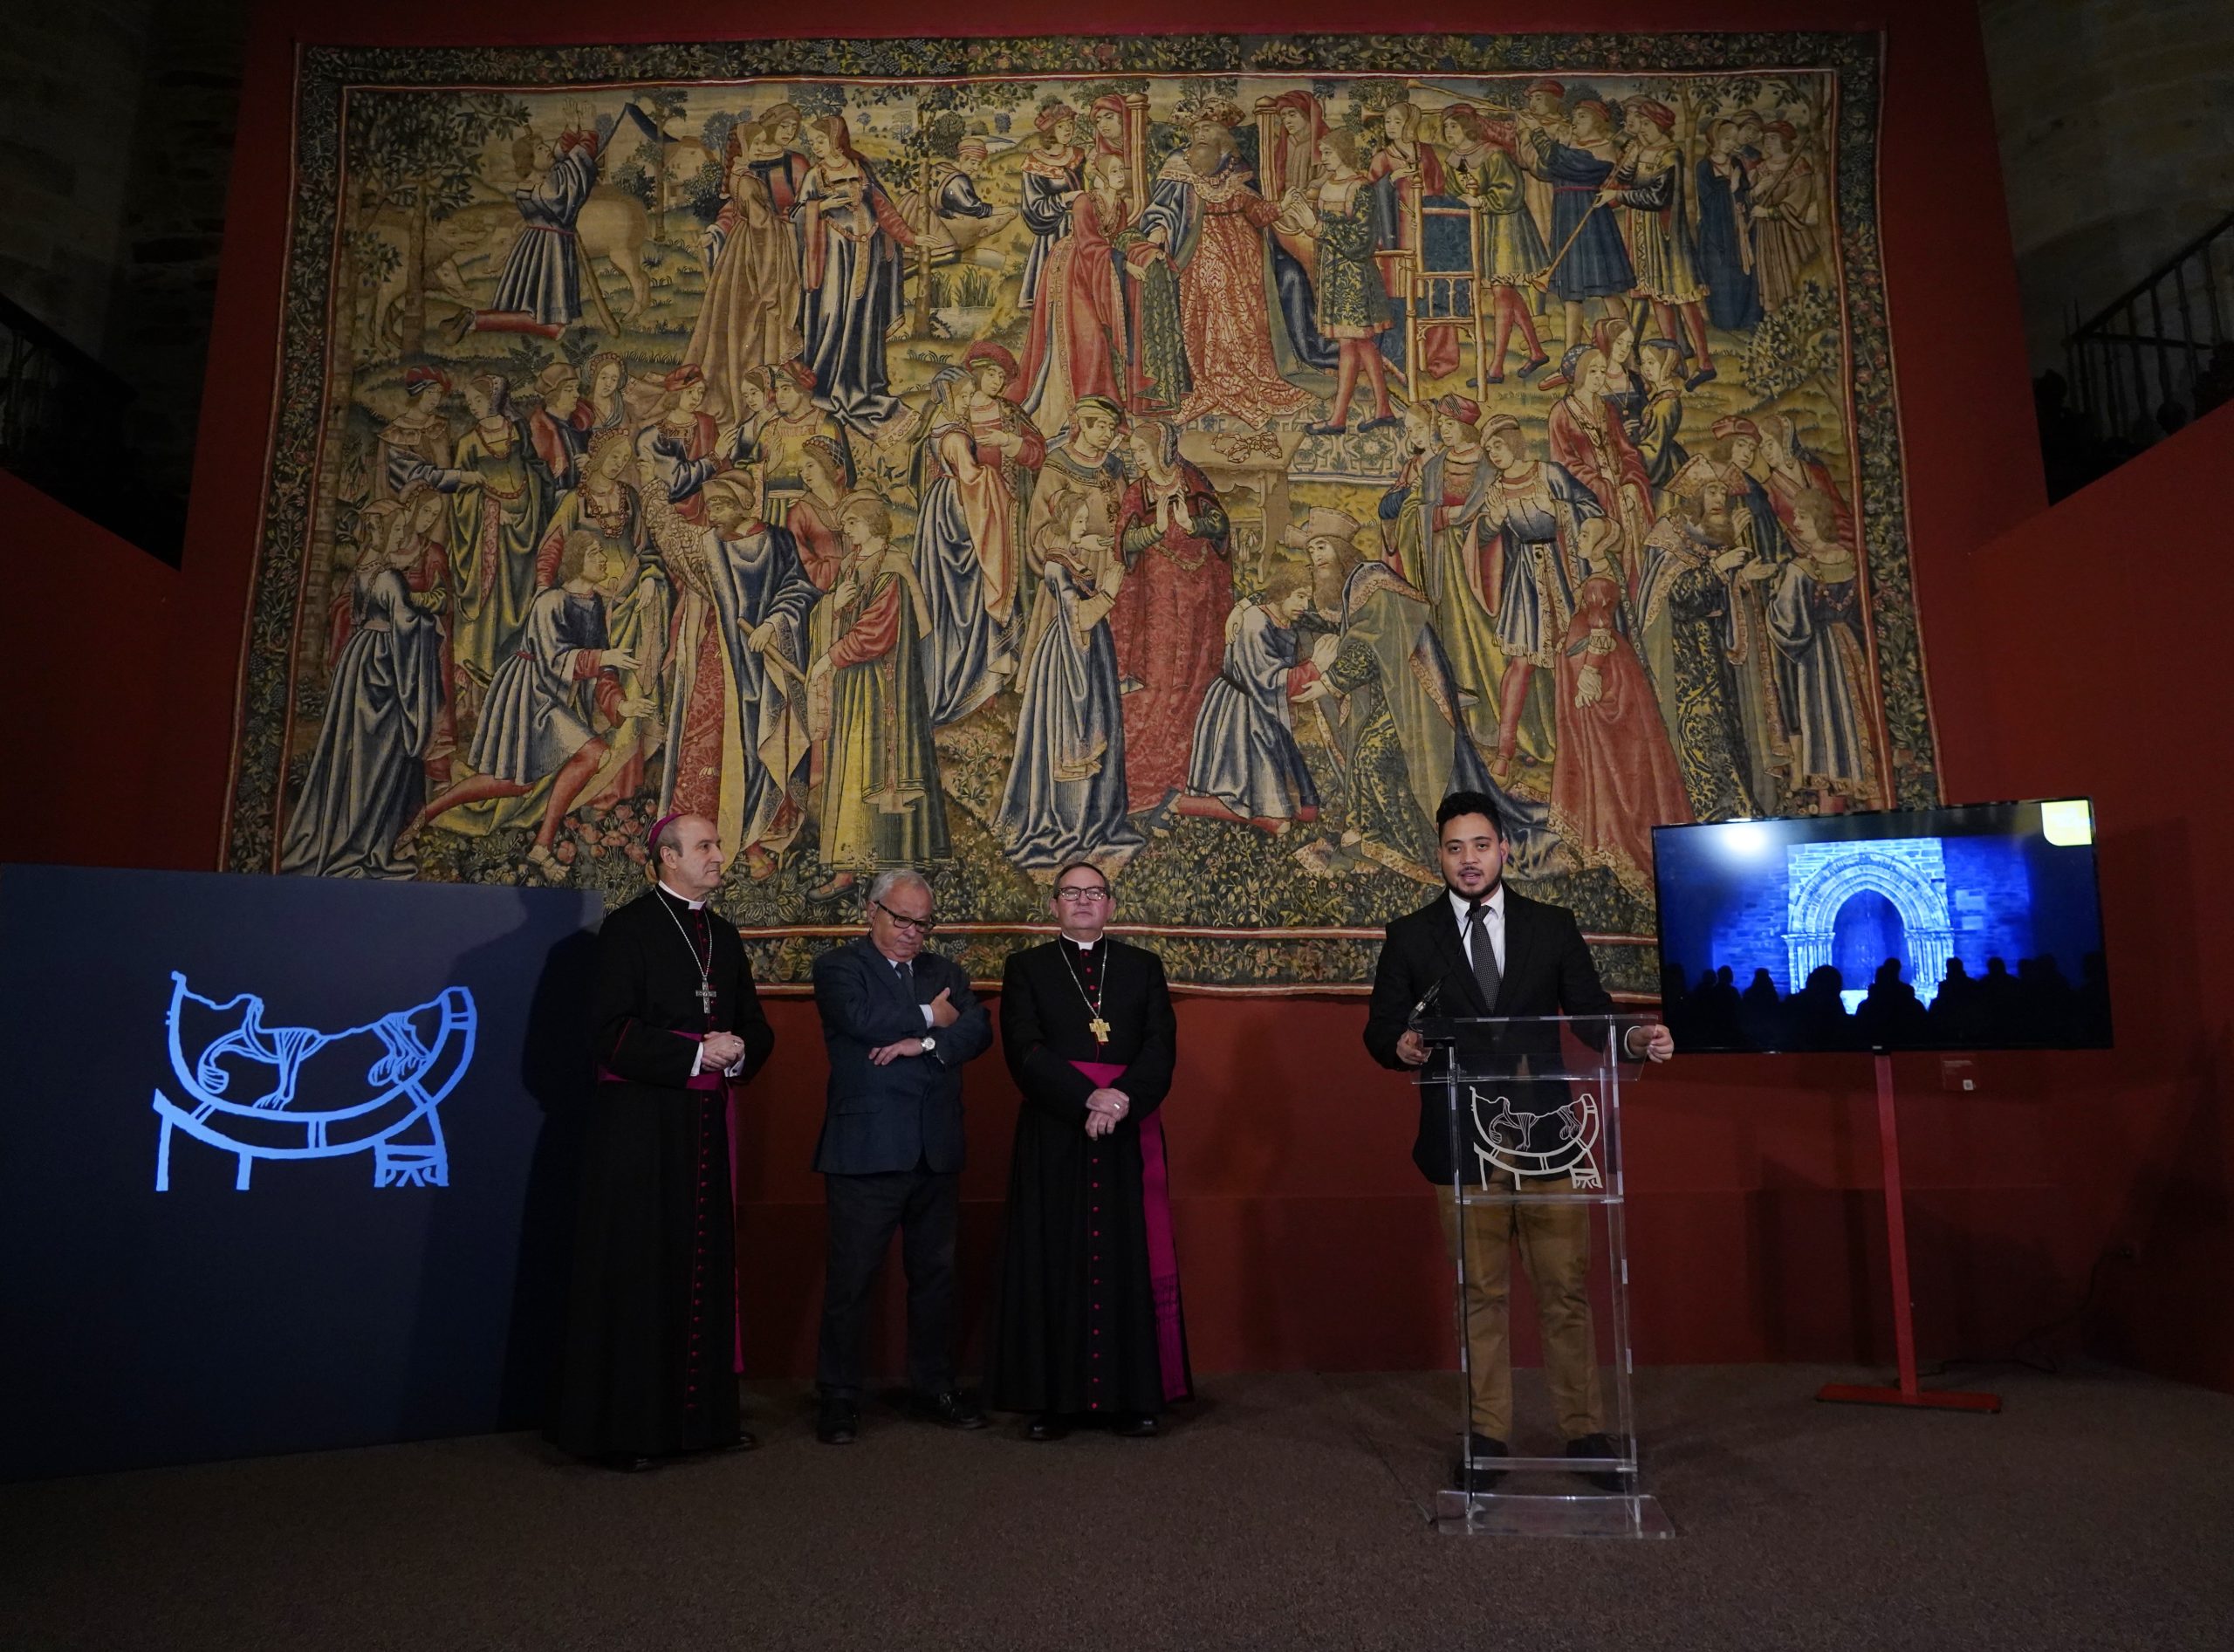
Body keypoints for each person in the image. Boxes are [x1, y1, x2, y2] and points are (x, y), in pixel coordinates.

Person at [1362, 791, 1673, 1490]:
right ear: (1437, 856)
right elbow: (1380, 1027)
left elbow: (1592, 1015)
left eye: (1479, 845)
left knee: (1565, 1289)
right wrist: (1404, 1045)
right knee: (1481, 1293)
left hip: (1549, 1139)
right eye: (1453, 848)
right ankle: (1488, 1436)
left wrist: (1634, 1037)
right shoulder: (1412, 936)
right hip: (1459, 1140)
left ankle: (1585, 1431)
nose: (1467, 860)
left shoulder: (1550, 925)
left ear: (1505, 849)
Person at [551, 812, 775, 1470]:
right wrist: (694, 1053)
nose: (718, 854)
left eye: (716, 843)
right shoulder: (628, 929)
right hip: (640, 1129)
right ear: (667, 859)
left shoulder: (726, 937)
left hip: (707, 1129)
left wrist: (734, 1054)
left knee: (702, 1270)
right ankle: (631, 1431)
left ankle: (703, 1421)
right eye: (705, 845)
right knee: (641, 1271)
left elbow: (755, 1025)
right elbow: (609, 1031)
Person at [987, 862, 1188, 1438]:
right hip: (1056, 1129)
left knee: (1130, 1259)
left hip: (1129, 1128)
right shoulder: (1026, 969)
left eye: (1093, 892)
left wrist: (1121, 1097)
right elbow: (1023, 1047)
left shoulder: (1142, 968)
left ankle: (1136, 1395)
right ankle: (1052, 1400)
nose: (1082, 900)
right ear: (1053, 905)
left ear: (1110, 904)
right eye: (1071, 892)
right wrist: (1086, 1098)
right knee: (1054, 1257)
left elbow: (1160, 1047)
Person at [809, 868, 994, 1444]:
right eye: (901, 919)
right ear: (872, 911)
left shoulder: (945, 973)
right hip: (866, 1151)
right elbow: (861, 1020)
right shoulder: (839, 967)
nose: (913, 932)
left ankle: (933, 1386)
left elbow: (980, 1029)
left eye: (922, 922)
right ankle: (839, 1398)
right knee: (852, 1280)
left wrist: (929, 1041)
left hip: (935, 1151)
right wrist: (929, 1017)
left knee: (935, 1278)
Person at [401, 531, 647, 883]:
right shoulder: (551, 600)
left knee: (528, 779)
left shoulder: (593, 604)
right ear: (576, 560)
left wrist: (623, 703)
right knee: (522, 781)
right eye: (595, 553)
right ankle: (430, 813)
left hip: (555, 693)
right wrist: (602, 657)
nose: (603, 560)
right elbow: (553, 657)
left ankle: (538, 845)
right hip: (529, 690)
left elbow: (603, 669)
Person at [279, 502, 449, 878]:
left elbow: (360, 615)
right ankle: (361, 840)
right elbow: (405, 623)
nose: (405, 533)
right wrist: (430, 621)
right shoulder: (388, 577)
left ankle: (340, 830)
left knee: (353, 750)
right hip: (385, 665)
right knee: (378, 756)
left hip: (359, 662)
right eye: (400, 526)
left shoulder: (363, 570)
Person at [808, 491, 947, 901]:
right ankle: (848, 869)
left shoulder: (893, 565)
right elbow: (839, 615)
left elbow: (877, 630)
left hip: (886, 689)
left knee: (884, 772)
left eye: (852, 522)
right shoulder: (852, 565)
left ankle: (901, 873)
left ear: (872, 523)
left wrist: (828, 660)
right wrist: (835, 606)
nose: (846, 530)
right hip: (855, 688)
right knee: (851, 770)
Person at [997, 484, 1143, 870]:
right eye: (1078, 521)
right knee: (1071, 736)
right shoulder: (1056, 566)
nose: (1084, 526)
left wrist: (1095, 543)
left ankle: (1093, 821)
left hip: (1085, 660)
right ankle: (1072, 826)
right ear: (1063, 524)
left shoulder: (1068, 557)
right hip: (1067, 665)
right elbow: (1076, 620)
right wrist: (1109, 594)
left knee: (1097, 733)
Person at [1136, 119, 1316, 428]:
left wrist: (1281, 206)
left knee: (1247, 317)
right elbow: (1165, 207)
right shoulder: (1180, 164)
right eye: (1195, 133)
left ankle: (1243, 378)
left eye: (1207, 129)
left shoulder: (1236, 168)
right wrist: (1159, 229)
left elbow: (1256, 212)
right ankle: (1211, 379)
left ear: (1222, 135)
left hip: (1244, 253)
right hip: (1199, 248)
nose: (1200, 136)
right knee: (1207, 312)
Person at [1110, 419, 1234, 822]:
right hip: (1159, 597)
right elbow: (1124, 544)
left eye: (1142, 451)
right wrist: (1157, 530)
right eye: (1134, 453)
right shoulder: (1137, 492)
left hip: (1200, 590)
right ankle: (1152, 772)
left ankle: (1191, 768)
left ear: (1162, 450)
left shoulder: (1192, 480)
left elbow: (1220, 526)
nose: (1137, 459)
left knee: (1197, 672)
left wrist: (1192, 525)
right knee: (1162, 675)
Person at [1177, 566, 1326, 832]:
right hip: (1241, 711)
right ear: (1281, 594)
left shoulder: (1283, 615)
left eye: (1308, 598)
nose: (1305, 605)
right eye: (1300, 596)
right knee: (1247, 795)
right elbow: (1268, 680)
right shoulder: (1255, 623)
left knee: (1308, 809)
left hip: (1263, 708)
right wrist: (1315, 667)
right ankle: (1179, 804)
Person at [794, 114, 917, 428]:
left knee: (863, 319)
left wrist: (912, 237)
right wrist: (822, 205)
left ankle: (861, 386)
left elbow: (883, 208)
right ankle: (826, 385)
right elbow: (797, 215)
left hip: (868, 252)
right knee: (833, 314)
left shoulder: (861, 169)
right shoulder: (814, 175)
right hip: (834, 256)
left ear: (836, 139)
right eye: (813, 142)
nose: (816, 147)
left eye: (820, 141)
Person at [684, 117, 806, 422]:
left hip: (741, 251)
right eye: (759, 144)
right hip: (755, 252)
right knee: (756, 317)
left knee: (742, 323)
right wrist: (784, 230)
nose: (764, 148)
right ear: (747, 148)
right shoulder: (749, 180)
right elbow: (761, 222)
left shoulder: (743, 175)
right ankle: (757, 394)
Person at [1298, 127, 1398, 435]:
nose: (1322, 157)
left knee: (1356, 343)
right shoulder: (1328, 185)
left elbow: (1363, 243)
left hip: (1354, 279)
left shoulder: (1360, 188)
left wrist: (1318, 228)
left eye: (1327, 151)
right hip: (1334, 276)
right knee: (1354, 345)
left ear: (1342, 152)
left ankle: (1343, 417)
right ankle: (1376, 410)